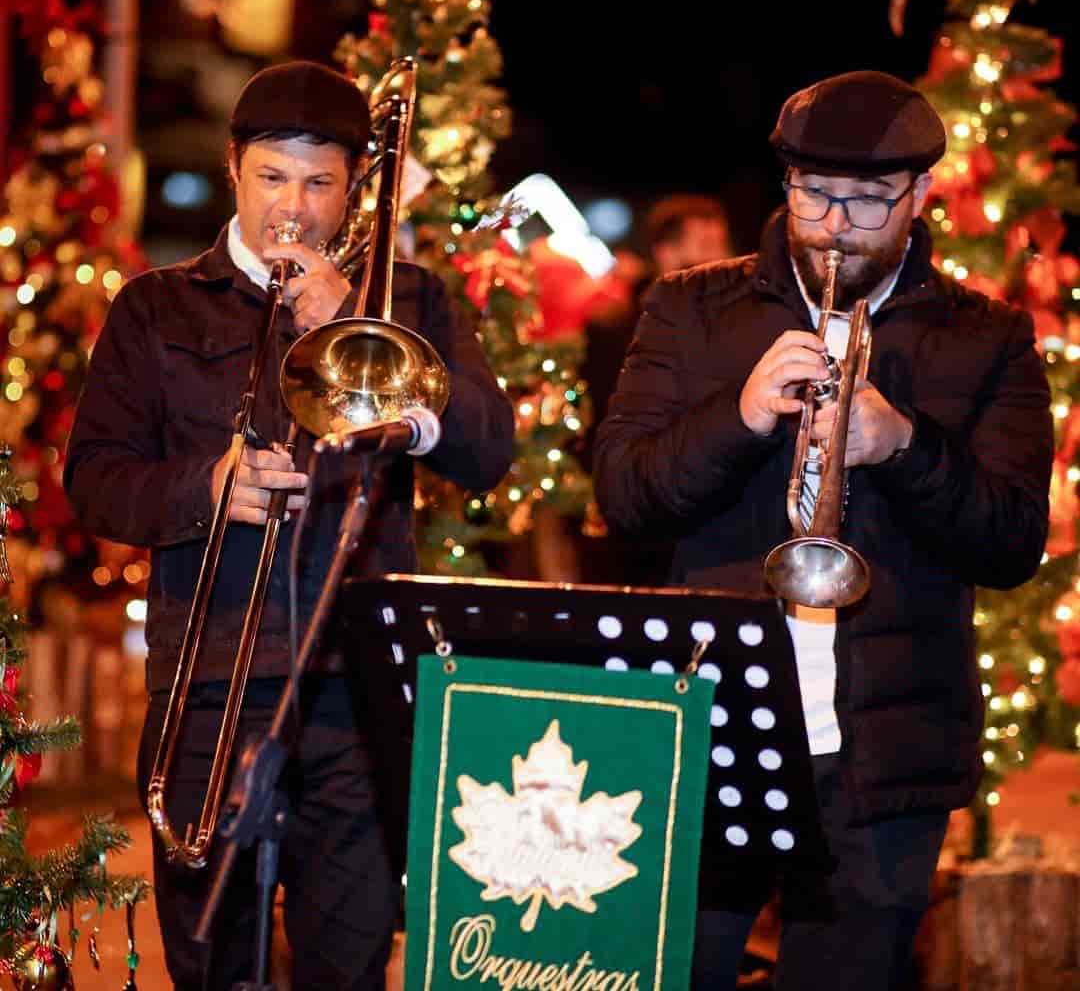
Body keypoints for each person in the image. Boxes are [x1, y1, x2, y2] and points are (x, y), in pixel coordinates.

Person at [592, 70, 1053, 989]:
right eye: (811, 196)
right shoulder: (692, 308)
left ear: (921, 196)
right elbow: (625, 498)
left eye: (866, 202)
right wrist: (743, 413)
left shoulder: (989, 338)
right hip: (710, 731)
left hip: (888, 755)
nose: (833, 226)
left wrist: (906, 446)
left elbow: (1011, 543)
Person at [63, 60, 515, 990]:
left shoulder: (411, 301)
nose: (293, 208)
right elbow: (97, 483)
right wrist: (209, 487)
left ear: (353, 188)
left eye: (318, 182)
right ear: (234, 168)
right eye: (272, 177)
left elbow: (488, 452)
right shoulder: (155, 306)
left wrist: (350, 315)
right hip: (211, 675)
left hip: (359, 683)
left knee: (347, 958)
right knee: (210, 956)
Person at [579, 194, 733, 586]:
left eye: (722, 247)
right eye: (704, 248)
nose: (722, 262)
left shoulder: (735, 326)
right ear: (667, 255)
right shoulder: (615, 332)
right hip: (647, 521)